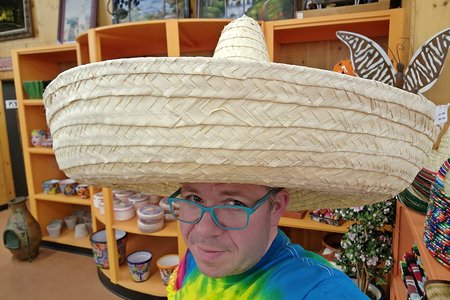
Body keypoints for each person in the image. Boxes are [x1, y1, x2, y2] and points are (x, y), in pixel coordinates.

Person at [165, 182, 368, 299]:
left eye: (234, 203)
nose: (204, 230)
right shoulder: (196, 259)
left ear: (277, 207)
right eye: (194, 199)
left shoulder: (315, 290)